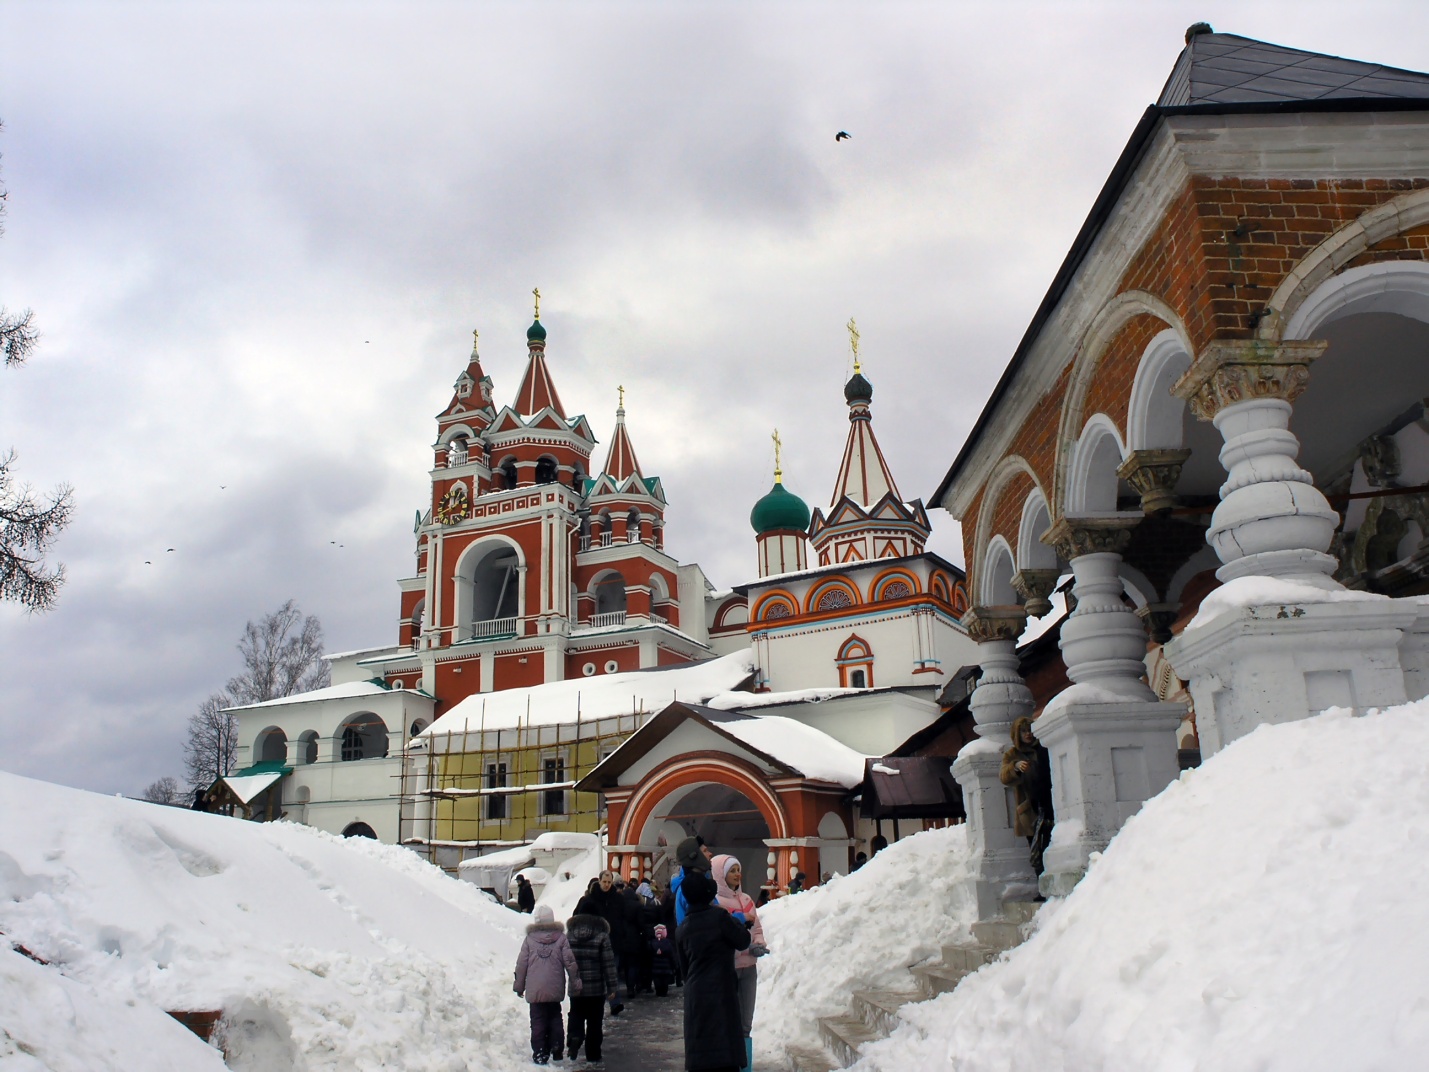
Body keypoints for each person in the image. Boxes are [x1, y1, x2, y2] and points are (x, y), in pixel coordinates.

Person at [676, 870, 751, 1072]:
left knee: (701, 1054)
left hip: (696, 997)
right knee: (724, 1055)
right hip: (721, 993)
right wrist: (739, 920)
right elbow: (743, 940)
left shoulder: (683, 928)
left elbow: (684, 969)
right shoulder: (720, 918)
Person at [711, 855, 769, 1072]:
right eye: (732, 870)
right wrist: (742, 949)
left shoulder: (747, 900)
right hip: (729, 970)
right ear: (720, 874)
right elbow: (721, 938)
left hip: (749, 969)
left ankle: (746, 1067)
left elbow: (758, 930)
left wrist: (758, 944)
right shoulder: (716, 904)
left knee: (746, 1023)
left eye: (738, 869)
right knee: (729, 1022)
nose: (737, 874)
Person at [512, 904, 581, 1065]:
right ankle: (556, 1046)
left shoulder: (529, 940)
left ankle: (539, 1051)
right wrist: (576, 981)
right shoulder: (561, 938)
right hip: (554, 987)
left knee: (537, 1020)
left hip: (535, 989)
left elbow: (521, 965)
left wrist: (519, 986)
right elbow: (570, 962)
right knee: (555, 1016)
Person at [566, 896, 619, 1066]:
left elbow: (565, 960)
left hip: (576, 986)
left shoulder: (569, 935)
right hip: (596, 988)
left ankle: (574, 1036)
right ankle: (593, 1053)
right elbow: (608, 963)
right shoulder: (602, 935)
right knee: (595, 1021)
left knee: (576, 1014)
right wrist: (612, 987)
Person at [1000, 714, 1054, 875]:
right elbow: (1004, 776)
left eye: (1030, 730)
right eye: (1023, 731)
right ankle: (1042, 884)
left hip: (1049, 803)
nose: (1028, 734)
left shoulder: (1044, 748)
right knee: (1037, 847)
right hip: (1030, 808)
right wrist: (1015, 766)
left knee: (1051, 842)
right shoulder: (1012, 754)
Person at [650, 922, 677, 996]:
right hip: (666, 968)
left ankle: (658, 991)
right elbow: (672, 956)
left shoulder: (652, 943)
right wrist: (674, 965)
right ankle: (664, 992)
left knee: (657, 980)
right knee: (665, 981)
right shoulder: (668, 943)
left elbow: (650, 955)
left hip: (655, 968)